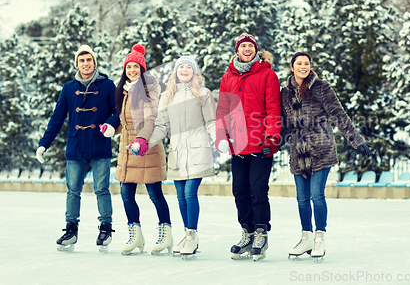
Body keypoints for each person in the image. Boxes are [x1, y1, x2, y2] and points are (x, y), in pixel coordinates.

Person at [280, 52, 372, 260]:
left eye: (307, 63)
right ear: (292, 67)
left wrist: (357, 140)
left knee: (316, 195)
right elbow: (285, 126)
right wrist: (271, 146)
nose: (303, 66)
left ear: (310, 66)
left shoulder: (321, 87)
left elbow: (339, 115)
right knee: (302, 199)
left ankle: (319, 237)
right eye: (299, 63)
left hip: (321, 148)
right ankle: (306, 238)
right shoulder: (285, 92)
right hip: (298, 152)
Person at [36, 45, 120, 252]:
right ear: (76, 64)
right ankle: (71, 230)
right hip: (75, 145)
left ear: (94, 62)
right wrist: (43, 144)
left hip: (99, 143)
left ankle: (106, 228)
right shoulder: (68, 88)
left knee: (102, 189)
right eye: (81, 61)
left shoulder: (108, 86)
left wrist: (110, 123)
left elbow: (119, 111)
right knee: (73, 190)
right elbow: (57, 118)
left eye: (89, 60)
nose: (85, 64)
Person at [215, 33, 281, 261]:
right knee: (240, 191)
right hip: (237, 144)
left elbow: (273, 108)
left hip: (261, 143)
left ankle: (261, 232)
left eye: (250, 46)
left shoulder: (268, 74)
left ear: (255, 50)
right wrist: (221, 136)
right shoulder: (228, 77)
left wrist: (272, 137)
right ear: (237, 50)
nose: (246, 49)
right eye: (242, 46)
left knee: (258, 189)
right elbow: (222, 110)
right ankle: (247, 231)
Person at [101, 44, 171, 255]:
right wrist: (111, 127)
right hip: (127, 148)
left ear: (142, 69)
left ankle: (166, 233)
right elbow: (124, 120)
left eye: (136, 67)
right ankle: (136, 235)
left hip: (146, 146)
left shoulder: (150, 88)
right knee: (126, 195)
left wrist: (141, 139)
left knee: (155, 194)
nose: (132, 70)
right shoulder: (123, 90)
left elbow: (150, 118)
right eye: (129, 67)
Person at [149, 55, 217, 258]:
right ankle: (187, 235)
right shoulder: (167, 97)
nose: (185, 70)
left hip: (198, 151)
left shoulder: (204, 94)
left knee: (189, 193)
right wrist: (147, 142)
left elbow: (211, 122)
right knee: (180, 196)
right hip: (177, 152)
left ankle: (192, 234)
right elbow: (162, 126)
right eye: (181, 67)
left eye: (189, 67)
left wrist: (219, 140)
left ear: (194, 72)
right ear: (176, 72)